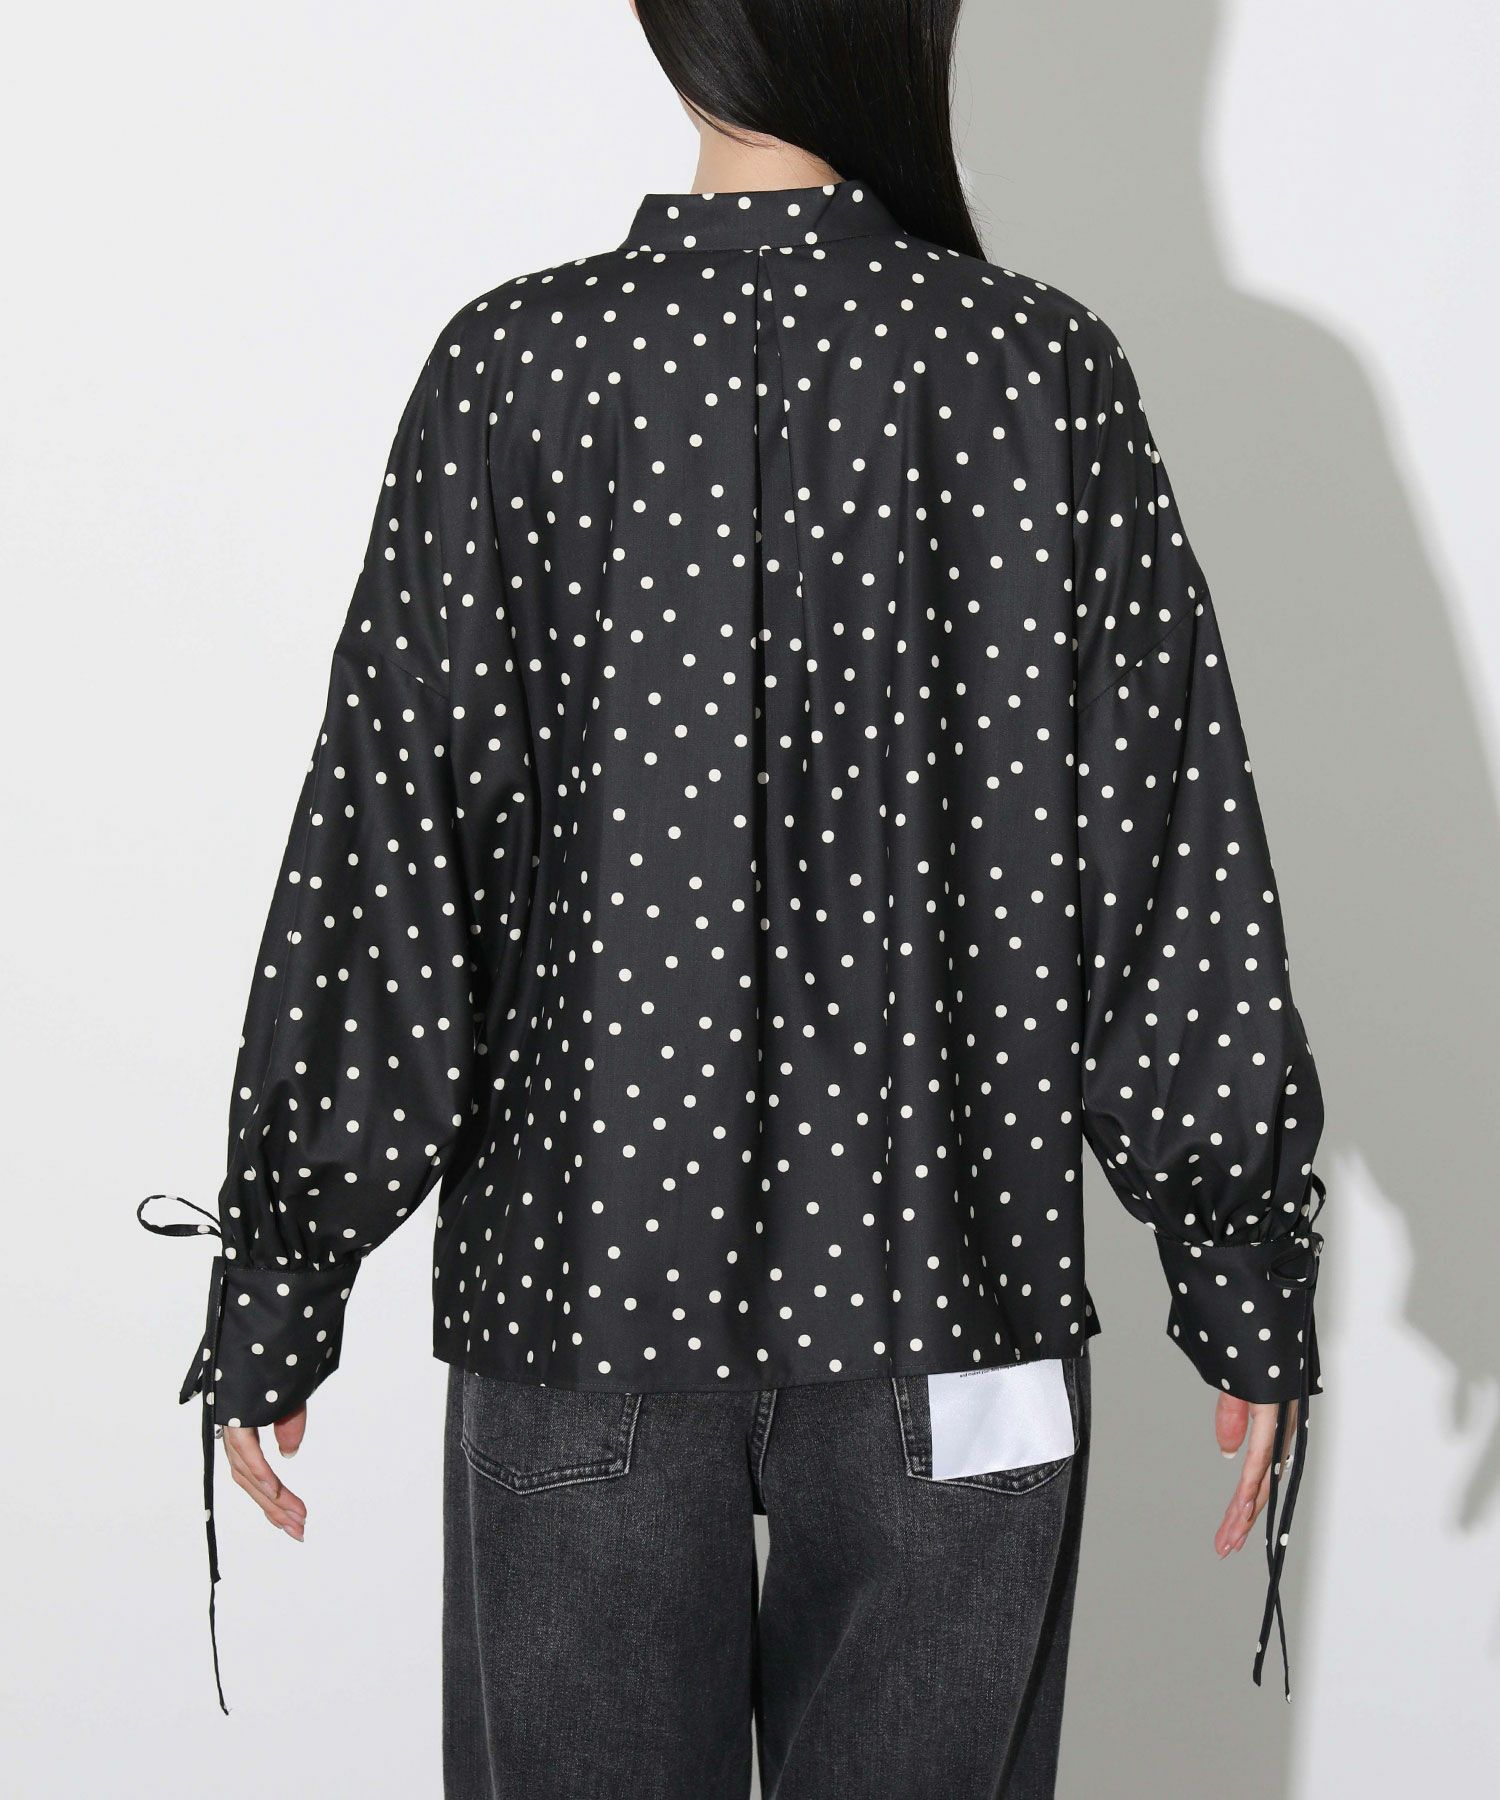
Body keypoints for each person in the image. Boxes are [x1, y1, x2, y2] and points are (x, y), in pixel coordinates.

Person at [140, 1, 1328, 1793]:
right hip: (950, 1301)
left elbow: (394, 859)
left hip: (587, 1296)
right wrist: (1238, 1262)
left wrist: (283, 1272)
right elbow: (1167, 864)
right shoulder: (1034, 371)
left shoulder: (515, 370)